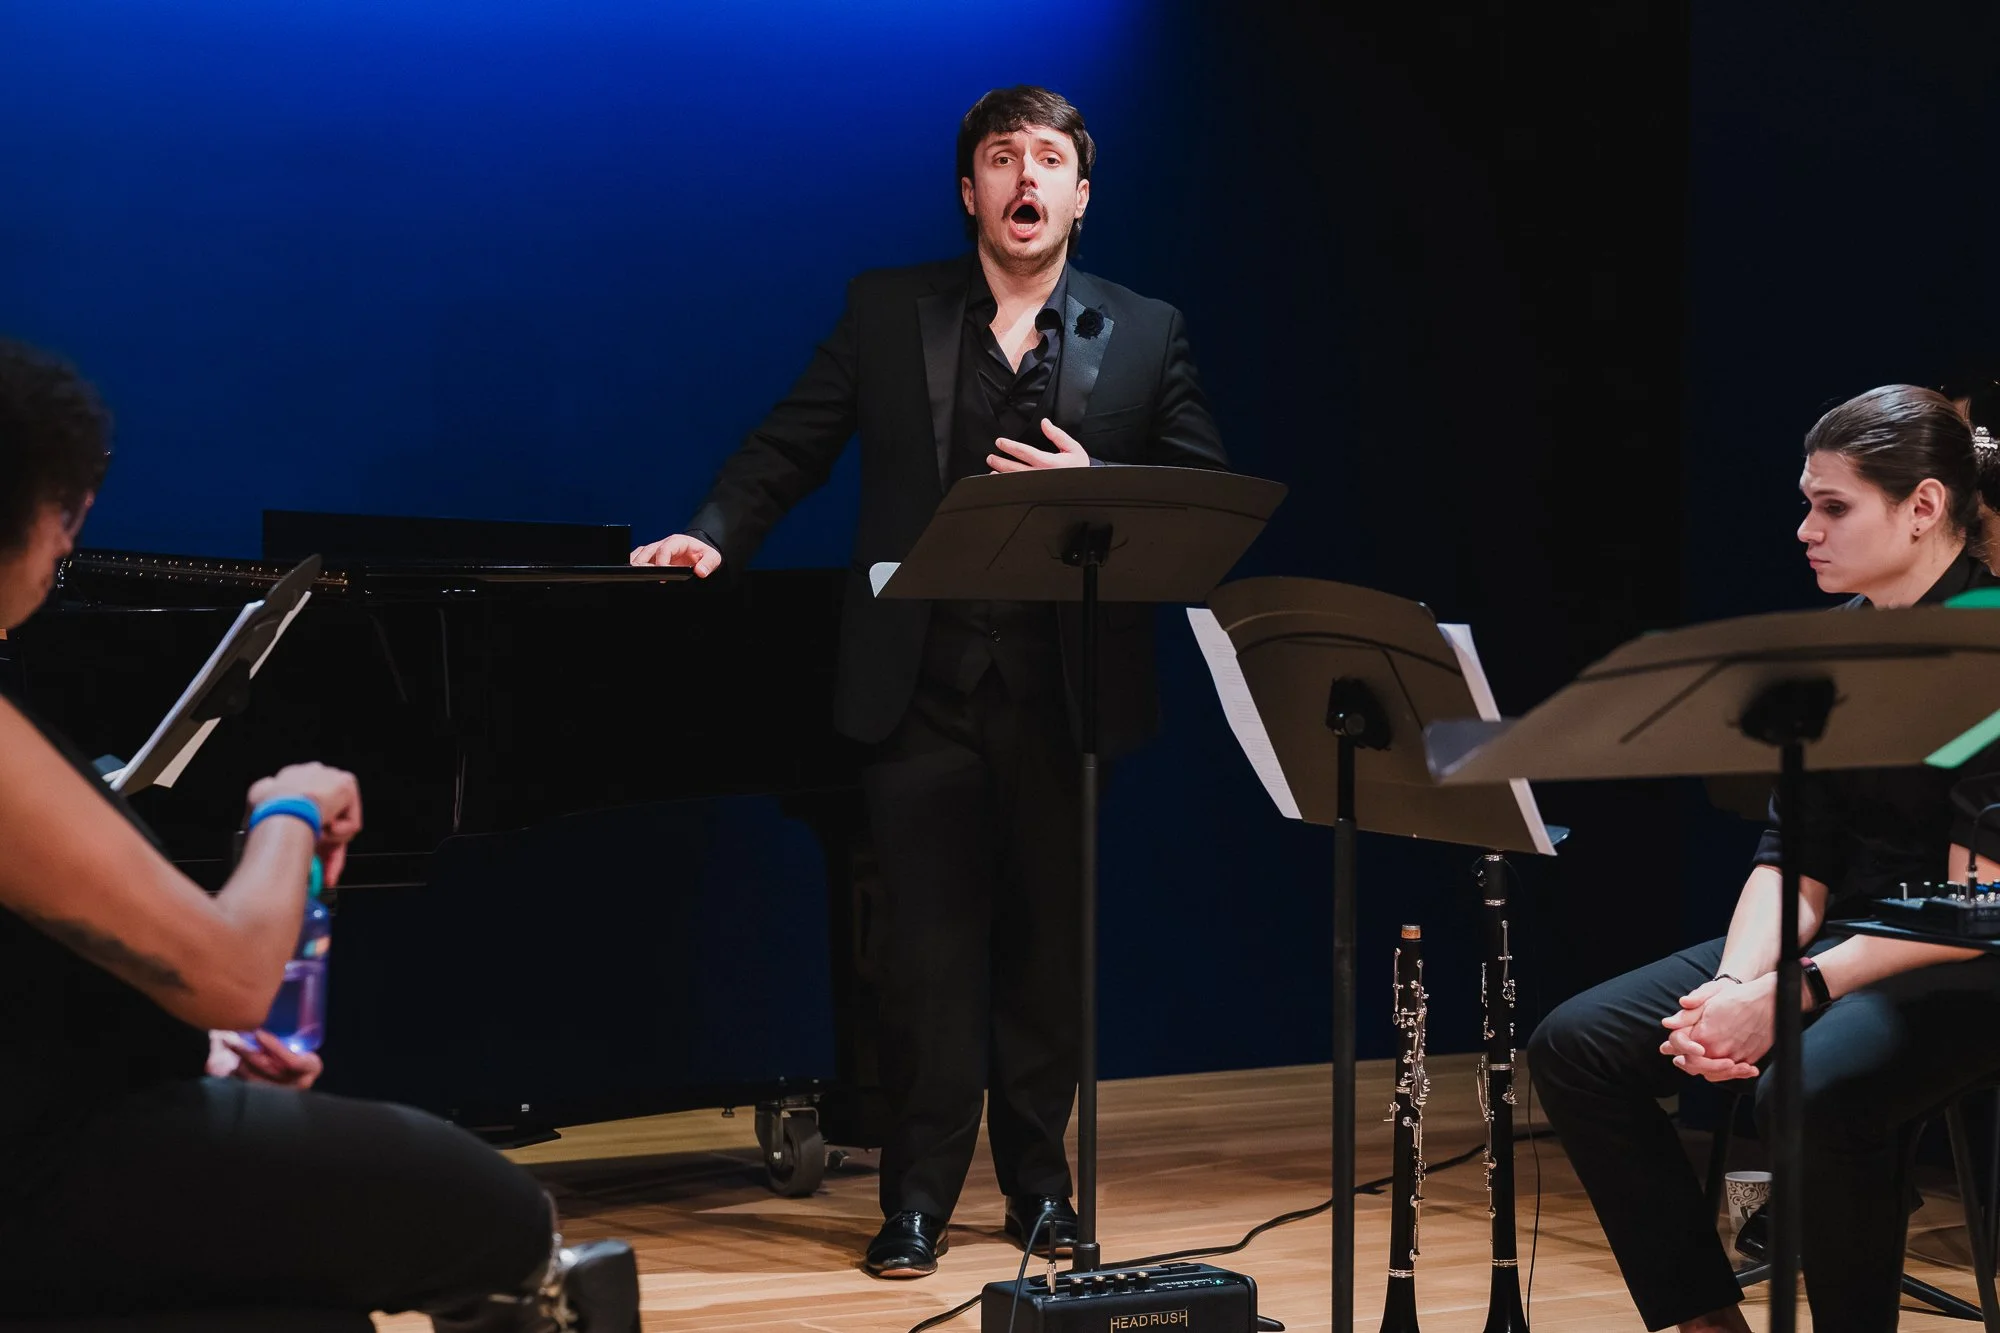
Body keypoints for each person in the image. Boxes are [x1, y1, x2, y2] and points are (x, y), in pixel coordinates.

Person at [631, 85, 1229, 1277]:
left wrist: (1094, 478)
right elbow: (787, 444)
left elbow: (1202, 497)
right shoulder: (886, 309)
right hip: (916, 682)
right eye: (1000, 157)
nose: (1024, 177)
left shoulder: (1144, 328)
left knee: (1047, 957)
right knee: (922, 958)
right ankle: (913, 1200)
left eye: (1047, 159)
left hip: (1068, 692)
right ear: (971, 192)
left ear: (1078, 194)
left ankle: (1042, 1194)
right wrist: (713, 531)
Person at [0, 338, 637, 1332]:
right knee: (498, 1214)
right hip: (35, 1176)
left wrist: (196, 1051)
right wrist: (288, 812)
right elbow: (235, 974)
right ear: (47, 511)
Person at [1528, 384, 2000, 1332]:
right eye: (1806, 503)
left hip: (1970, 957)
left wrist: (1790, 996)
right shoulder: (1827, 651)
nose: (1805, 530)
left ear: (1923, 507)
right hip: (1852, 943)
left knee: (1806, 1091)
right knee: (1576, 1046)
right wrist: (1736, 987)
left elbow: (1971, 906)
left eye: (1833, 507)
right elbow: (1793, 860)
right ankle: (1704, 1319)